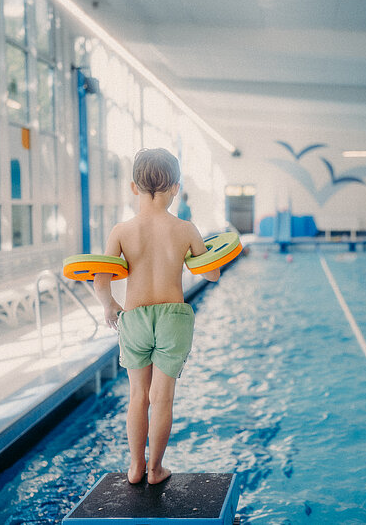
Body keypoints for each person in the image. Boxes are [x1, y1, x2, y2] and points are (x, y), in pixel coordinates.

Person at [93, 148, 220, 485]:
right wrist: (213, 254)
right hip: (173, 318)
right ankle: (156, 469)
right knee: (162, 398)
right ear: (176, 188)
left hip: (133, 317)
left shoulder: (122, 230)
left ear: (134, 188)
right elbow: (212, 274)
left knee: (138, 396)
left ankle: (135, 467)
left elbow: (101, 278)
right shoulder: (185, 228)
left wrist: (109, 306)